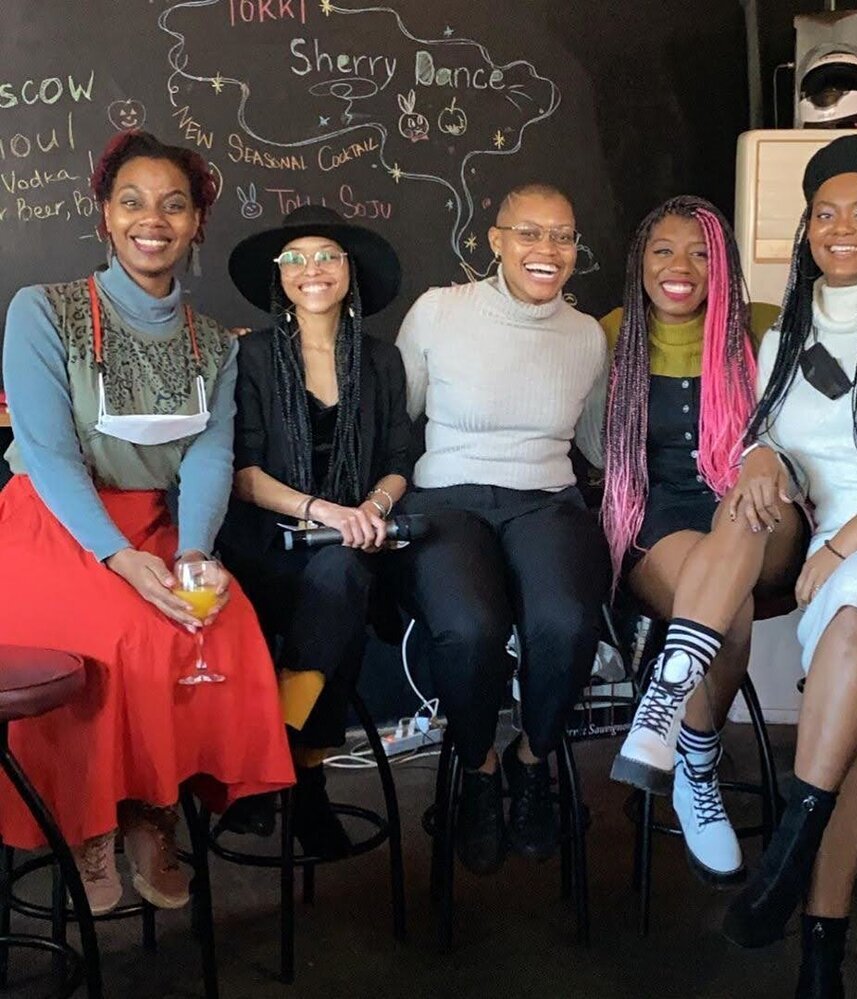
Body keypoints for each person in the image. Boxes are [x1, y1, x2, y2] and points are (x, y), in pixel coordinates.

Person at [618, 133, 857, 996]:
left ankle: (793, 840)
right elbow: (773, 439)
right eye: (825, 211)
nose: (841, 228)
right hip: (846, 554)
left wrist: (847, 540)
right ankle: (817, 941)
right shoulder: (791, 323)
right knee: (856, 701)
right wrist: (760, 460)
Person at [0, 131, 294, 915]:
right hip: (57, 525)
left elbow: (210, 455)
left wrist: (194, 552)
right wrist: (119, 559)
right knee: (118, 637)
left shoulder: (211, 343)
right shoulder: (43, 311)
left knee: (219, 626)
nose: (151, 220)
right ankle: (90, 824)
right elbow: (50, 454)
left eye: (174, 204)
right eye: (132, 201)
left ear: (197, 222)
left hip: (163, 523)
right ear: (104, 215)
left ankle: (152, 808)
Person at [393, 183, 610, 875]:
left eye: (563, 236)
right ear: (495, 240)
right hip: (446, 498)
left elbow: (603, 443)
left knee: (568, 621)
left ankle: (531, 758)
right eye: (529, 233)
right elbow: (399, 414)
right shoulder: (439, 311)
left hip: (544, 497)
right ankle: (479, 765)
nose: (547, 250)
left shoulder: (585, 336)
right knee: (469, 627)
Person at [601, 195, 793, 885]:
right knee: (724, 601)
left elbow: (845, 352)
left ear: (724, 264)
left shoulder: (767, 327)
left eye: (701, 251)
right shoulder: (611, 334)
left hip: (760, 507)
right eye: (662, 250)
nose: (680, 266)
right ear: (639, 262)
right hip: (660, 520)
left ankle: (663, 702)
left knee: (742, 517)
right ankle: (697, 762)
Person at [218, 205, 410, 855]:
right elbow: (241, 472)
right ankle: (307, 782)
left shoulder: (383, 362)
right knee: (337, 600)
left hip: (352, 543)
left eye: (326, 254)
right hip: (262, 545)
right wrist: (324, 509)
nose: (312, 270)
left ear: (349, 270)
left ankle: (270, 758)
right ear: (280, 277)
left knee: (343, 575)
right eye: (295, 258)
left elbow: (397, 462)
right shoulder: (247, 356)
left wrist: (373, 507)